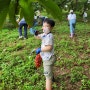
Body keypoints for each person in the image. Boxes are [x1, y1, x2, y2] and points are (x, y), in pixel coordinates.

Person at [34, 18, 56, 90]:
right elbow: (38, 37)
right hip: (47, 57)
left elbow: (49, 48)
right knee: (49, 70)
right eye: (43, 26)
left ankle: (49, 81)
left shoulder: (49, 36)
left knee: (47, 77)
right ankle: (52, 77)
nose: (44, 27)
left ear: (51, 28)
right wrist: (35, 34)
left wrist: (40, 49)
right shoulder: (44, 34)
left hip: (48, 59)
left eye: (47, 26)